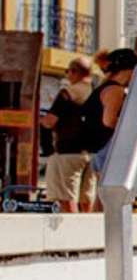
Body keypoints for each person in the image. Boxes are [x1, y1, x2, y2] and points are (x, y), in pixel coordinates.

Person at [39, 58, 98, 211]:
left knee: (66, 197)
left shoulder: (68, 93)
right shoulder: (96, 92)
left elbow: (50, 121)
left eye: (68, 72)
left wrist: (39, 119)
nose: (67, 76)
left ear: (74, 72)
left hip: (68, 152)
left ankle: (75, 231)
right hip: (91, 153)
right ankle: (89, 231)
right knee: (86, 199)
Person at [86, 49, 137, 179]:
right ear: (128, 70)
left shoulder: (102, 88)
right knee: (112, 196)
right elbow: (109, 120)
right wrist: (136, 128)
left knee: (103, 196)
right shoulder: (115, 90)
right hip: (108, 150)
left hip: (98, 149)